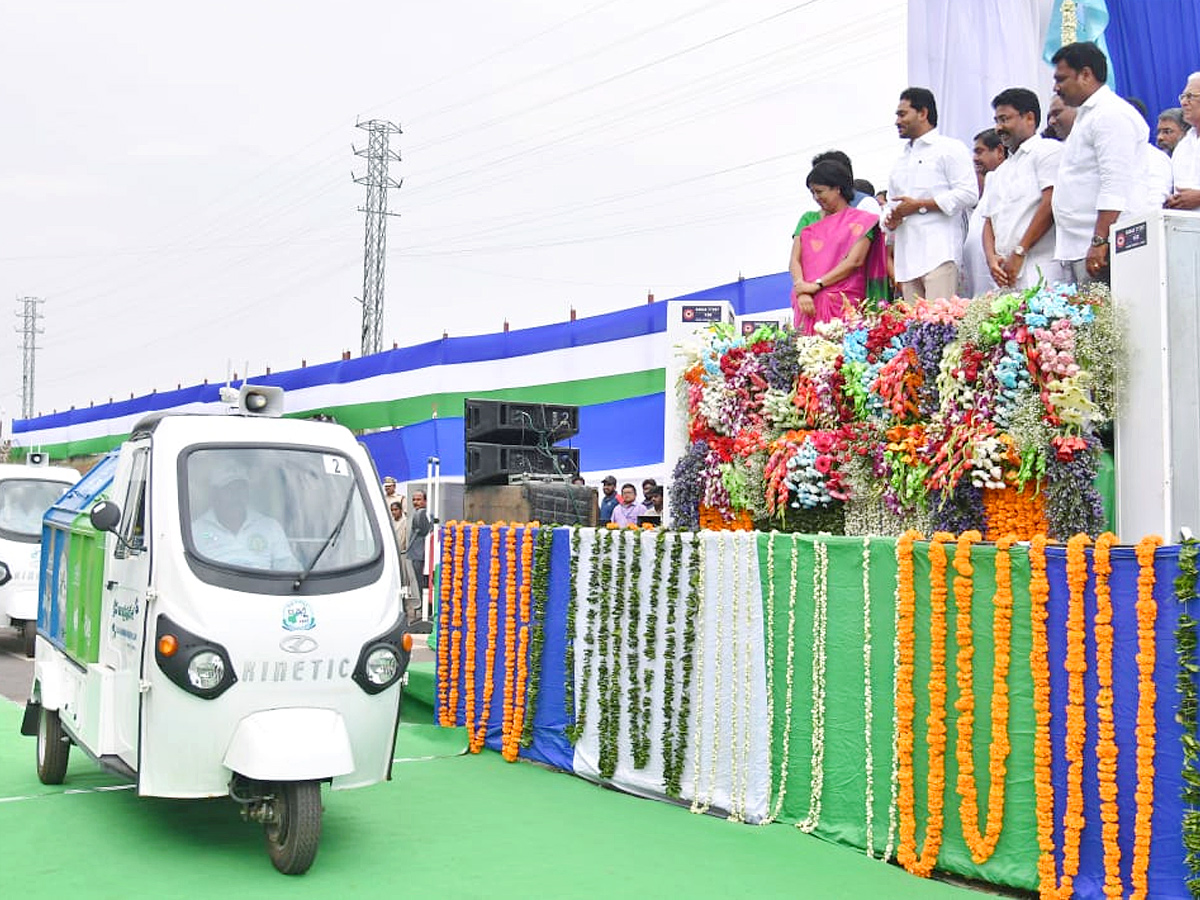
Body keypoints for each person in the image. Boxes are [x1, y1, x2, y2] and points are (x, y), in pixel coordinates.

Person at [1050, 42, 1150, 285]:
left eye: (1062, 79)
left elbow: (1114, 184)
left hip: (1106, 247)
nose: (1056, 87)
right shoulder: (1088, 115)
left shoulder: (1111, 114)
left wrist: (1099, 241)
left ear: (1086, 74)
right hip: (1082, 245)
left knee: (1109, 321)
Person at [883, 87, 978, 302]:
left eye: (902, 114)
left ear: (923, 113)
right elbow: (889, 207)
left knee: (940, 327)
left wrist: (920, 205)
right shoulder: (900, 161)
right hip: (907, 260)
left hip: (939, 254)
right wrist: (890, 218)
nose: (897, 121)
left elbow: (969, 193)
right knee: (914, 333)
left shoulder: (949, 148)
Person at [788, 159, 889, 333]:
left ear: (838, 188)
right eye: (812, 192)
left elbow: (854, 261)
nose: (816, 198)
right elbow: (794, 260)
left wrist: (817, 285)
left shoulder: (862, 221)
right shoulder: (808, 219)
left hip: (845, 302)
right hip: (807, 302)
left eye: (820, 191)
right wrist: (802, 290)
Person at [981, 88, 1063, 291]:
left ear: (1029, 117)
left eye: (1004, 119)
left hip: (1040, 269)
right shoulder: (1001, 171)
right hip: (1005, 275)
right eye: (996, 120)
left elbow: (1050, 203)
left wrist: (1020, 251)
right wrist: (992, 259)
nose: (999, 128)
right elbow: (989, 221)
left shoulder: (1047, 151)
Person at [191, 466, 300, 571]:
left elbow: (288, 569)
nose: (236, 496)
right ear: (215, 494)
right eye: (229, 490)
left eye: (240, 489)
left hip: (263, 588)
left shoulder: (270, 526)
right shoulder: (195, 530)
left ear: (247, 492)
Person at [961, 128, 1008, 297]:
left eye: (980, 152)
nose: (975, 158)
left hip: (996, 275)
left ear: (1000, 152)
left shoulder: (1006, 180)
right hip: (979, 282)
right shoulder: (992, 181)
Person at [1167, 73, 1200, 210]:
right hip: (1185, 227)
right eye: (1183, 97)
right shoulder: (1183, 145)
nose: (1183, 102)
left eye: (1190, 96)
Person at [390, 498, 422, 623]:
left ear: (400, 510)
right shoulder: (390, 522)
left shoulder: (406, 522)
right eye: (392, 510)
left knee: (409, 583)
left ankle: (415, 610)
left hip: (405, 555)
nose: (394, 512)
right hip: (394, 555)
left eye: (396, 509)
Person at [406, 489, 432, 615]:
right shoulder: (415, 514)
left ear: (425, 501)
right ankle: (423, 604)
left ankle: (428, 609)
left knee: (424, 583)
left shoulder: (424, 515)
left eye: (419, 499)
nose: (415, 502)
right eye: (414, 499)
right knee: (419, 583)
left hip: (421, 555)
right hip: (415, 554)